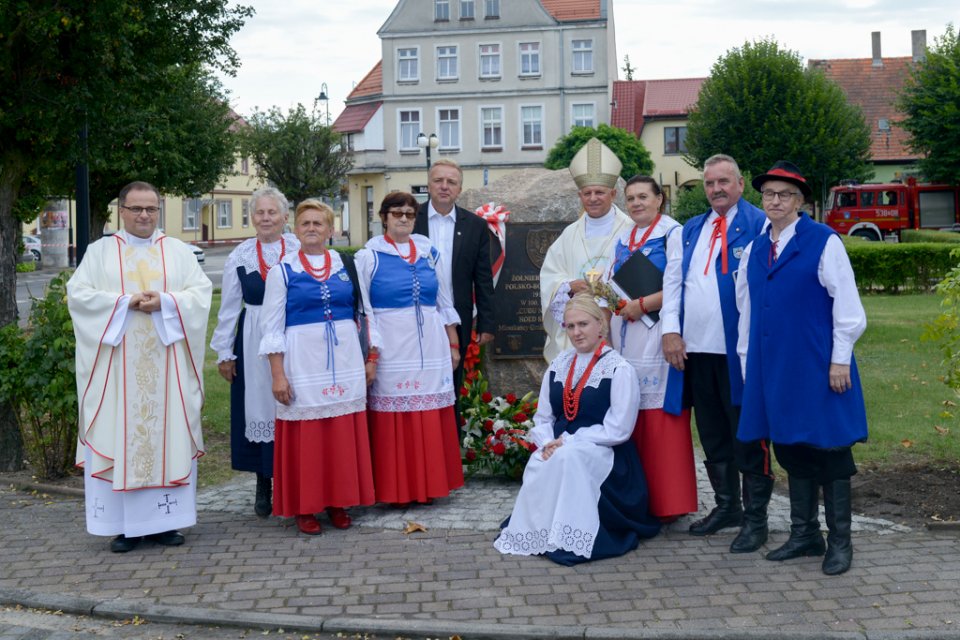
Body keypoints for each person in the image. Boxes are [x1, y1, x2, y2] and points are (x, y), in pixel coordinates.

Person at [736, 161, 868, 575]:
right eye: (769, 194)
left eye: (785, 195)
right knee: (790, 447)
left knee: (828, 449)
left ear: (801, 201)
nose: (775, 201)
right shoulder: (757, 248)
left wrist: (839, 360)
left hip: (818, 365)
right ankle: (804, 534)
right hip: (773, 368)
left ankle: (840, 542)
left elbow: (849, 310)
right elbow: (747, 311)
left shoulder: (823, 241)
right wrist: (747, 364)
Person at [68, 181, 212, 553]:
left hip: (167, 367)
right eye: (137, 209)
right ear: (122, 210)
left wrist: (165, 302)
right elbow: (80, 296)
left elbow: (199, 295)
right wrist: (123, 303)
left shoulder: (178, 252)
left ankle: (166, 524)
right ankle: (124, 527)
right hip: (118, 370)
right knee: (121, 433)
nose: (144, 215)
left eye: (151, 209)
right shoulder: (99, 252)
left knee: (167, 436)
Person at [495, 294, 661, 565]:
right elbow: (544, 415)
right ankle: (539, 531)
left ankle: (570, 536)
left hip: (605, 452)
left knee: (568, 458)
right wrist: (547, 441)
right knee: (542, 460)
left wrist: (571, 440)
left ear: (600, 325)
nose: (576, 332)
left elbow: (619, 428)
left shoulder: (619, 369)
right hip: (560, 446)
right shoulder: (559, 365)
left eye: (583, 324)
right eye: (570, 326)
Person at [660, 154, 771, 553]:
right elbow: (673, 284)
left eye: (724, 181)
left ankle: (756, 519)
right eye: (710, 183)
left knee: (748, 433)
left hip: (738, 353)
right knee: (711, 433)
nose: (716, 189)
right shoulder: (691, 229)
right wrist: (671, 331)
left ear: (740, 183)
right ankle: (727, 507)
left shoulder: (759, 224)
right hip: (696, 351)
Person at [259, 199, 374, 535]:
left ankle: (339, 500)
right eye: (305, 223)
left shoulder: (345, 264)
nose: (311, 228)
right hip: (301, 360)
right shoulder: (283, 271)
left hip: (344, 359)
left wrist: (371, 357)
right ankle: (306, 506)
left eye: (318, 223)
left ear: (330, 229)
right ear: (295, 229)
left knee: (340, 430)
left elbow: (363, 313)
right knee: (308, 433)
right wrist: (278, 374)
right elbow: (272, 328)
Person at [357, 191, 464, 505]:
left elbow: (444, 301)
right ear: (384, 217)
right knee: (396, 418)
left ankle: (428, 486)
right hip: (391, 345)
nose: (403, 218)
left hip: (430, 344)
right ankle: (397, 490)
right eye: (396, 213)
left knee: (428, 411)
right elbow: (367, 312)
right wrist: (373, 353)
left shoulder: (428, 250)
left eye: (409, 213)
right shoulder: (369, 256)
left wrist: (453, 344)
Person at [605, 176, 698, 522]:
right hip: (626, 330)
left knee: (660, 419)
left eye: (643, 196)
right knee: (632, 413)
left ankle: (669, 502)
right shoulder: (624, 235)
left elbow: (678, 283)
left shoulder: (672, 233)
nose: (636, 203)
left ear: (660, 199)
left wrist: (641, 305)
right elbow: (613, 280)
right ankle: (639, 499)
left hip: (658, 330)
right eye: (630, 198)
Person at [210, 187, 299, 518]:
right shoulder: (241, 255)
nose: (265, 218)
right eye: (259, 213)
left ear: (284, 216)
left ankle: (296, 481)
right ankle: (265, 483)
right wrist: (223, 351)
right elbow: (230, 306)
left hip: (294, 335)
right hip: (252, 339)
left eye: (271, 212)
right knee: (261, 406)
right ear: (252, 217)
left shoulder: (298, 249)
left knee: (295, 403)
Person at [540, 137, 632, 362]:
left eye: (599, 192)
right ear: (580, 196)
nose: (593, 198)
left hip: (619, 327)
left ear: (613, 194)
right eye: (587, 193)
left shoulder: (630, 230)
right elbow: (549, 275)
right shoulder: (569, 234)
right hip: (577, 329)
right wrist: (569, 285)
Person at [413, 158, 496, 390]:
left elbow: (483, 278)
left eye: (451, 182)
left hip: (458, 316)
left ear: (459, 189)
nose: (444, 186)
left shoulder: (475, 226)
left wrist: (487, 323)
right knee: (418, 381)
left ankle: (450, 428)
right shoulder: (409, 220)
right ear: (429, 185)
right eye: (438, 180)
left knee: (452, 383)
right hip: (416, 316)